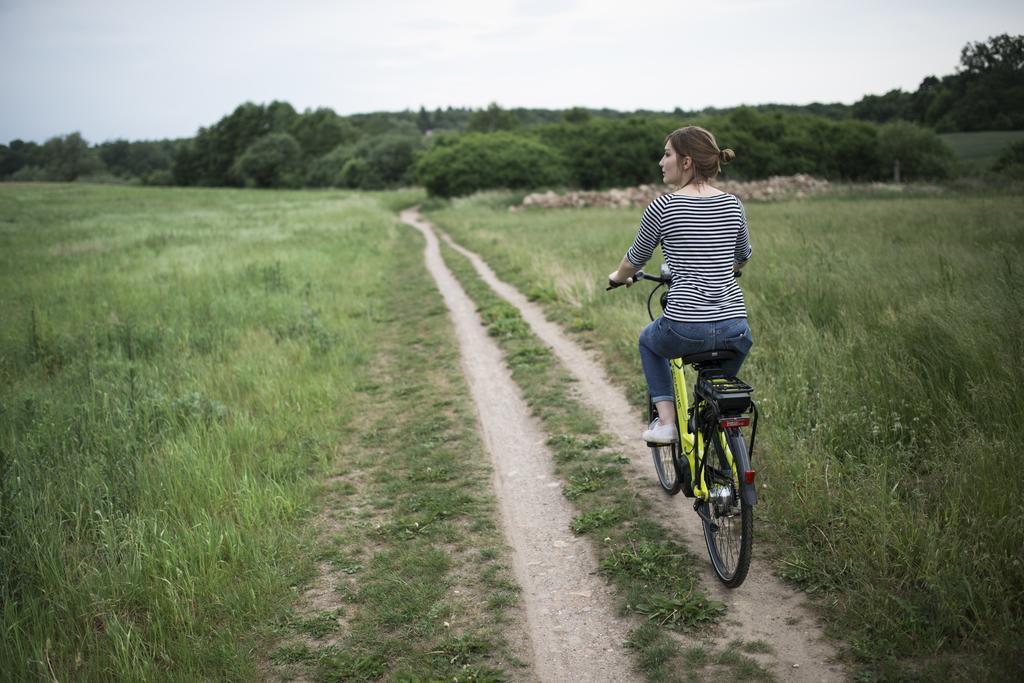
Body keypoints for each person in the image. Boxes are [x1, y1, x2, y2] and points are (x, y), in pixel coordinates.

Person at [607, 125, 753, 444]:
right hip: (736, 329)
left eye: (667, 154)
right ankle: (721, 449)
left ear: (686, 162)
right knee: (715, 396)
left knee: (648, 341)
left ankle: (667, 424)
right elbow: (742, 256)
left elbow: (635, 259)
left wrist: (618, 278)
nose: (662, 161)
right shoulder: (733, 204)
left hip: (685, 327)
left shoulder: (664, 206)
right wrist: (728, 269)